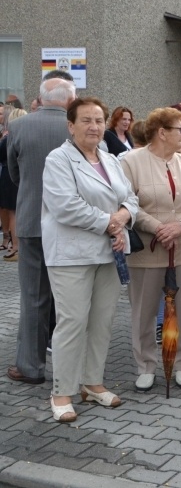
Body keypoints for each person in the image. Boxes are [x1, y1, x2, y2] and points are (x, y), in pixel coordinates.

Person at [42, 97, 139, 422]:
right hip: (71, 255)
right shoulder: (58, 159)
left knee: (102, 320)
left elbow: (131, 197)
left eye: (98, 120)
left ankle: (92, 383)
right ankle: (62, 392)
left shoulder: (110, 159)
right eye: (86, 120)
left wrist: (123, 216)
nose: (94, 126)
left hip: (109, 253)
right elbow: (65, 206)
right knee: (72, 322)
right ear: (71, 126)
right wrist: (110, 222)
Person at [121, 107, 181, 392]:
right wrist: (159, 227)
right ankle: (145, 367)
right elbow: (126, 203)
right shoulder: (130, 161)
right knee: (143, 313)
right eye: (179, 129)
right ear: (162, 133)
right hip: (146, 253)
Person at [6, 77, 76, 385]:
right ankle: (75, 367)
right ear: (70, 101)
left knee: (34, 297)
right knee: (72, 297)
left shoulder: (19, 126)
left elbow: (14, 173)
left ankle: (31, 367)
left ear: (40, 97)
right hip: (73, 224)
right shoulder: (77, 126)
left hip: (32, 220)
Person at [0, 107, 27, 261]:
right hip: (21, 176)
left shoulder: (9, 138)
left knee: (13, 212)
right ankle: (16, 245)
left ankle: (16, 246)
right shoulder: (27, 136)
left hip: (10, 176)